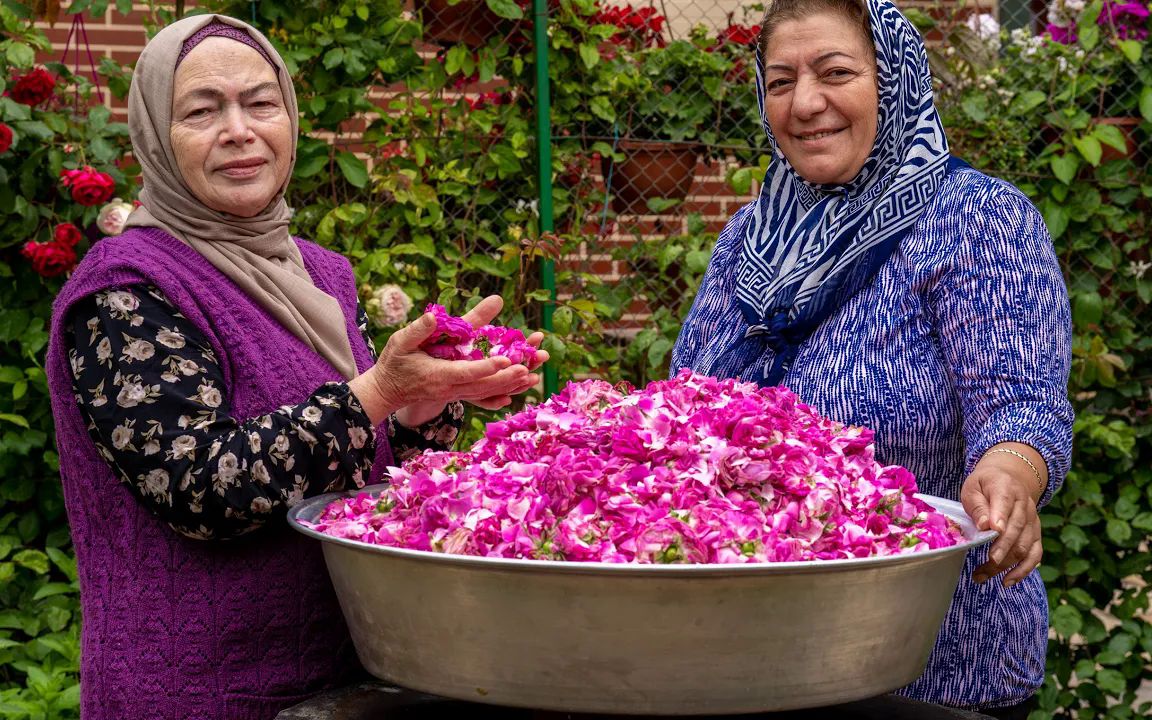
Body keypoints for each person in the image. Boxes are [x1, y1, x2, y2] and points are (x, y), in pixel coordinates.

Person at [44, 14, 545, 720]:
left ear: (290, 117)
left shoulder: (319, 274)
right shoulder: (126, 290)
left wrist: (413, 413)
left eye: (260, 102)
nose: (239, 130)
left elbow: (362, 471)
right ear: (157, 134)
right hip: (199, 691)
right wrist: (374, 391)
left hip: (348, 672)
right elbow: (200, 488)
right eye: (202, 110)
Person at [671, 0, 1072, 717]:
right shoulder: (748, 240)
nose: (806, 103)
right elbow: (681, 409)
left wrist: (1012, 471)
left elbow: (1022, 402)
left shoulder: (978, 220)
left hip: (927, 667)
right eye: (780, 81)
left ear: (894, 82)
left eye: (835, 73)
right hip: (744, 665)